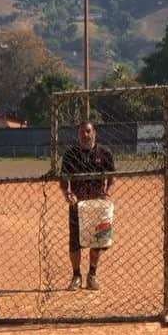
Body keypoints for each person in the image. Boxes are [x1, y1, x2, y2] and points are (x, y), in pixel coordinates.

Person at [59, 121, 116, 291]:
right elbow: (64, 178)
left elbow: (112, 177)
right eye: (82, 132)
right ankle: (76, 275)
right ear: (78, 135)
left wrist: (107, 192)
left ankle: (92, 274)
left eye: (88, 131)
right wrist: (67, 193)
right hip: (78, 204)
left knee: (97, 240)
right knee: (75, 242)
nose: (85, 135)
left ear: (94, 133)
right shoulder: (70, 154)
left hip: (97, 204)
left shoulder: (104, 153)